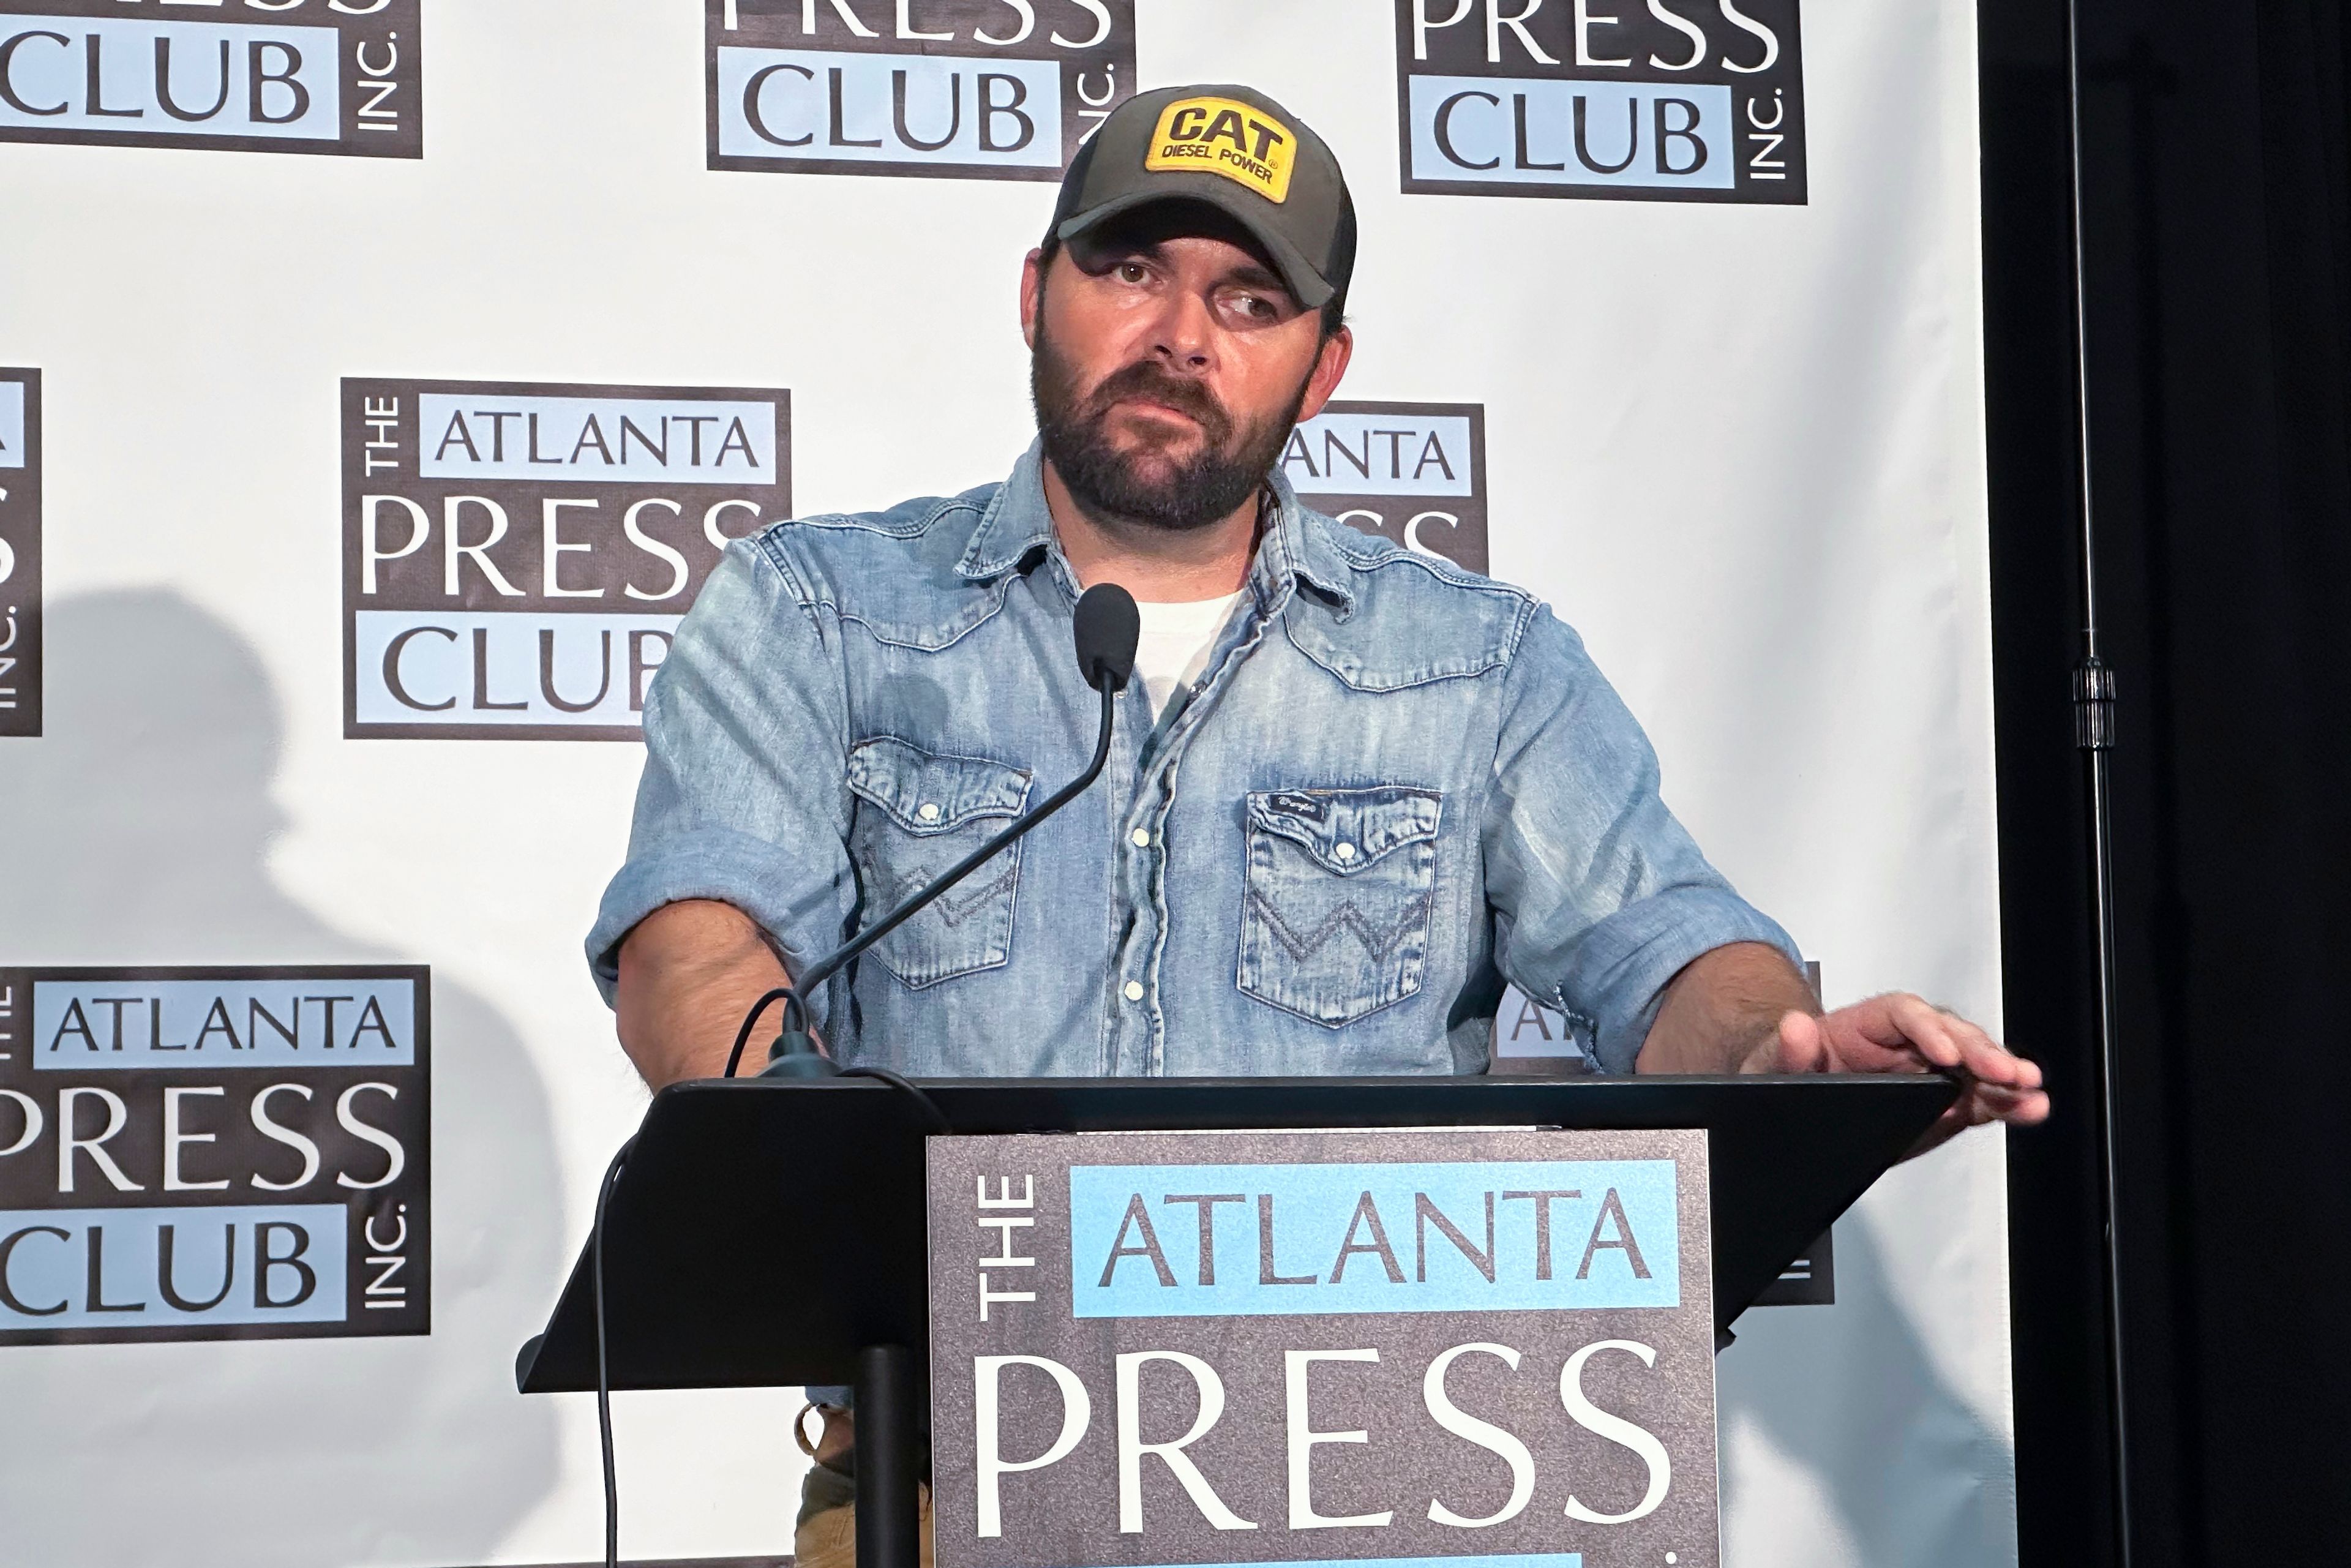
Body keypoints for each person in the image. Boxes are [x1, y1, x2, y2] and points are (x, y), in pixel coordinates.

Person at [584, 83, 2048, 1568]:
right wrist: (790, 1138)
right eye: (1131, 270)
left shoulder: (1483, 667)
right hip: (945, 1463)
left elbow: (1670, 954)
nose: (1182, 335)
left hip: (1378, 1465)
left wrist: (1780, 1061)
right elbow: (703, 947)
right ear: (1037, 293)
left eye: (1250, 297)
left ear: (1324, 365)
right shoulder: (821, 614)